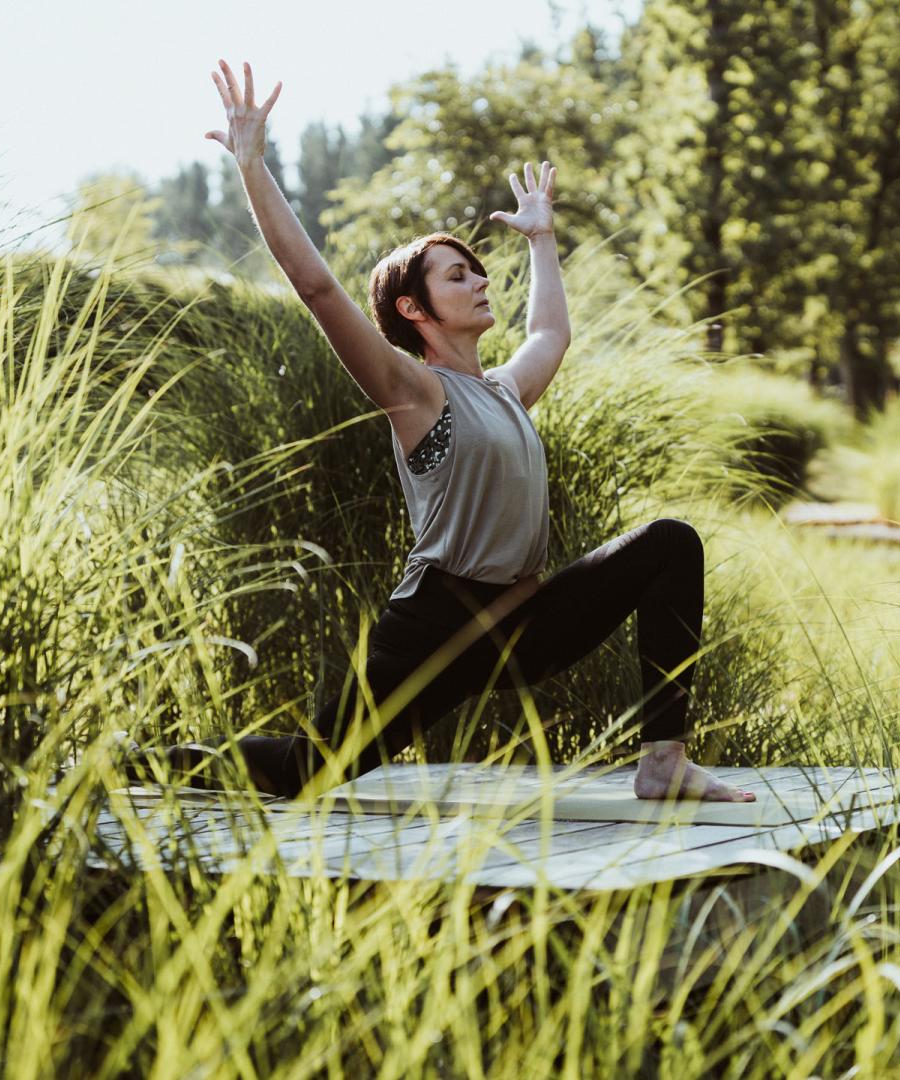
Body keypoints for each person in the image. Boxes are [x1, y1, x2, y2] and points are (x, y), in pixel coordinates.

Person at [168, 58, 752, 803]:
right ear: (414, 310)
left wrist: (542, 238)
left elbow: (550, 333)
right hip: (437, 630)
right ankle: (147, 765)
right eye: (456, 275)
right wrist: (252, 164)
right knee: (303, 774)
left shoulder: (504, 391)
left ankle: (663, 761)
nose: (479, 280)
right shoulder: (413, 392)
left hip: (525, 624)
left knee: (671, 544)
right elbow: (316, 287)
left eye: (476, 271)